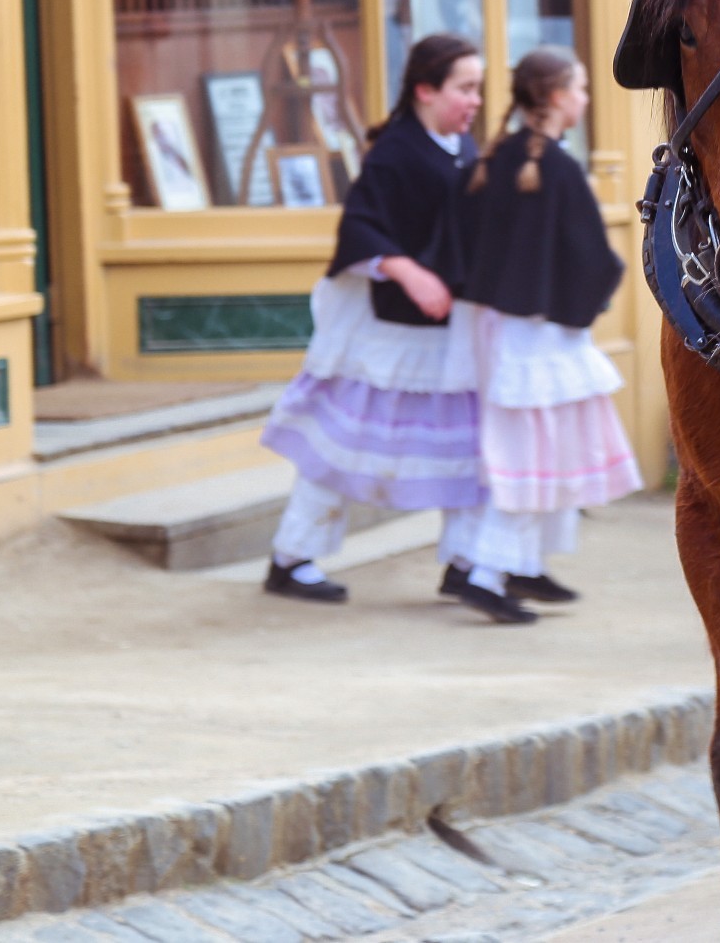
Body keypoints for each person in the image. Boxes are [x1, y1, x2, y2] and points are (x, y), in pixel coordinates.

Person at [259, 34, 487, 603]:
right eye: (465, 88)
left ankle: (467, 560)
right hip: (386, 335)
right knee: (338, 445)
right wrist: (408, 271)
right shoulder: (394, 154)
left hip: (450, 329)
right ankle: (292, 557)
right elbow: (360, 226)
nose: (475, 101)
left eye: (477, 89)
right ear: (425, 91)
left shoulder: (462, 148)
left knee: (474, 445)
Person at [436, 48, 641, 623]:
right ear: (554, 98)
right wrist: (589, 304)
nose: (586, 98)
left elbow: (460, 240)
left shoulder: (490, 157)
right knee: (533, 453)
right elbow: (591, 257)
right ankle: (486, 571)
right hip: (537, 334)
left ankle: (506, 563)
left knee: (512, 449)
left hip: (486, 326)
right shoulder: (557, 168)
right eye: (578, 88)